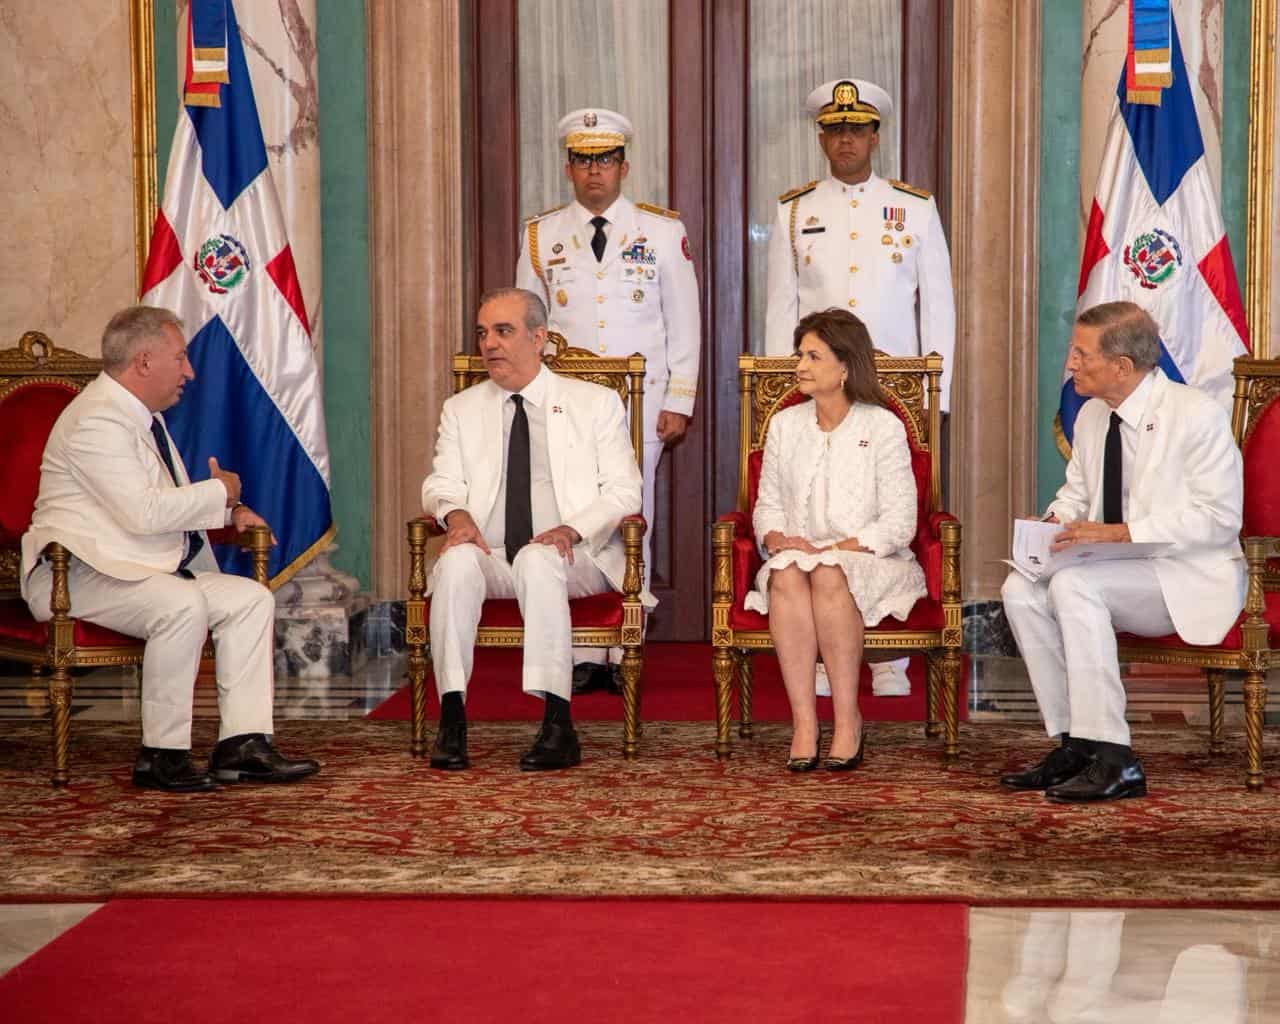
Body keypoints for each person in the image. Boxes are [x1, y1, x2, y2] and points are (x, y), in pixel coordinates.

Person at [20, 306, 319, 792]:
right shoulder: (97, 419)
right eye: (180, 358)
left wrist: (229, 513)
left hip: (134, 565)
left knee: (250, 599)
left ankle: (242, 746)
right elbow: (143, 513)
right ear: (143, 361)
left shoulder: (140, 416)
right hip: (73, 575)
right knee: (180, 605)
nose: (189, 371)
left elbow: (158, 507)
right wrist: (222, 491)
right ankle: (162, 755)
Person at [1001, 302, 1245, 802]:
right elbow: (1076, 493)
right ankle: (1074, 744)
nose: (1069, 363)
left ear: (1121, 367)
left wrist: (1123, 533)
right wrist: (1053, 522)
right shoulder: (1093, 415)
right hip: (1113, 567)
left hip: (1186, 573)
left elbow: (1220, 519)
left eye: (1080, 353)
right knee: (1019, 588)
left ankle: (1116, 758)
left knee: (1074, 584)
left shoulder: (1196, 414)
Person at [764, 78, 954, 699]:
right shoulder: (795, 210)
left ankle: (888, 654)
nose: (844, 139)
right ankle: (821, 651)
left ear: (875, 135)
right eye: (833, 129)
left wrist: (938, 395)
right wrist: (782, 389)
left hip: (895, 382)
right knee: (811, 502)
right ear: (821, 137)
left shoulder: (915, 207)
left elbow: (940, 307)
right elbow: (780, 310)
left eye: (857, 129)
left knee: (893, 512)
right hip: (818, 382)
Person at [515, 107, 700, 694]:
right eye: (583, 161)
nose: (595, 172)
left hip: (638, 405)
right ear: (569, 168)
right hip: (563, 404)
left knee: (627, 519)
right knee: (566, 513)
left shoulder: (662, 231)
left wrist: (682, 398)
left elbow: (683, 322)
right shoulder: (541, 234)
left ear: (623, 165)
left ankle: (625, 647)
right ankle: (580, 649)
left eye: (605, 160)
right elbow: (524, 323)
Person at [421, 288, 645, 771]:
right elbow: (442, 481)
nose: (490, 344)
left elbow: (626, 492)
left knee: (539, 558)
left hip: (576, 557)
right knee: (457, 561)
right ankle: (453, 717)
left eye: (504, 331)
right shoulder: (461, 408)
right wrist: (454, 515)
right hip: (493, 552)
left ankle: (557, 722)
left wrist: (571, 528)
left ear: (539, 337)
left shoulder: (594, 403)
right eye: (482, 333)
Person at [745, 308, 926, 771]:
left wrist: (834, 549)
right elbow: (766, 505)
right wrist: (778, 537)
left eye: (813, 356)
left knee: (826, 571)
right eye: (799, 355)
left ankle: (848, 720)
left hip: (872, 558)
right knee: (785, 574)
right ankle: (805, 723)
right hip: (798, 556)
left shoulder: (881, 426)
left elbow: (900, 522)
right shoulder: (785, 425)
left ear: (844, 366)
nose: (800, 366)